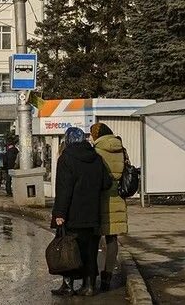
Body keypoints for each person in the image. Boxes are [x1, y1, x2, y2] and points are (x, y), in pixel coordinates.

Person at [51, 127, 112, 297]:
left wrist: (59, 213)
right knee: (91, 250)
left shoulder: (66, 158)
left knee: (69, 247)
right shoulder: (96, 158)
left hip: (72, 214)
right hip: (93, 213)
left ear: (68, 140)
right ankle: (89, 285)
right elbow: (106, 183)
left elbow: (64, 189)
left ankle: (68, 285)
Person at [91, 122, 128, 292]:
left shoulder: (96, 151)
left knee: (94, 238)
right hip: (117, 197)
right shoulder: (121, 149)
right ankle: (107, 276)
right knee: (112, 239)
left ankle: (91, 277)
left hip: (99, 198)